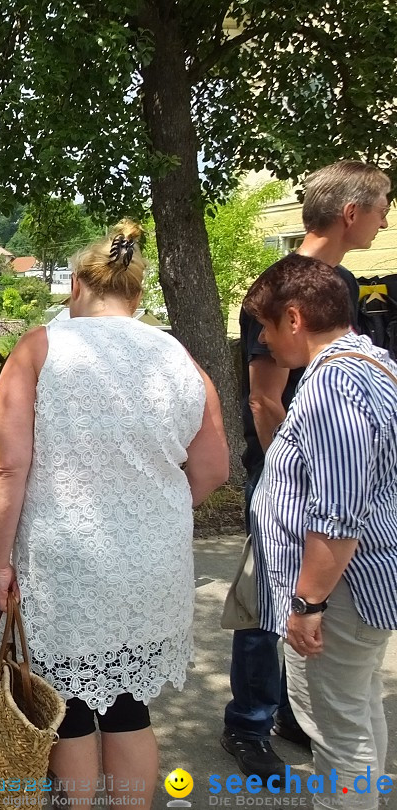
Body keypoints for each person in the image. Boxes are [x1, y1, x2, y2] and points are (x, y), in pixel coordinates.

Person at [0, 221, 229, 809]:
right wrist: (155, 509)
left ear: (74, 286)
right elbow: (214, 467)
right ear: (137, 293)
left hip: (65, 558)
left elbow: (6, 468)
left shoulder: (40, 347)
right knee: (128, 708)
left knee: (65, 710)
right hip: (152, 562)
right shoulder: (178, 356)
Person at [224, 160, 391, 778]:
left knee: (319, 655)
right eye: (381, 206)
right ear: (352, 212)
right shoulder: (287, 286)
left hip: (331, 492)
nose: (383, 218)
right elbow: (265, 397)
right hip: (300, 478)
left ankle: (296, 712)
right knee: (266, 604)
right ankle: (251, 720)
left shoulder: (337, 289)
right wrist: (284, 477)